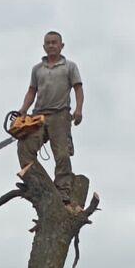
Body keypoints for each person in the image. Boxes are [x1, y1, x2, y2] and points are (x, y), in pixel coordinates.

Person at [17, 31, 84, 206]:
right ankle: (36, 184)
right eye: (48, 43)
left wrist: (79, 109)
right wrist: (23, 110)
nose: (51, 45)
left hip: (60, 114)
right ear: (44, 47)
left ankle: (63, 190)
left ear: (61, 45)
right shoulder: (37, 69)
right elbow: (32, 91)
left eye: (55, 42)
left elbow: (78, 88)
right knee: (25, 147)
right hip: (38, 115)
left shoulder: (69, 67)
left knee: (61, 154)